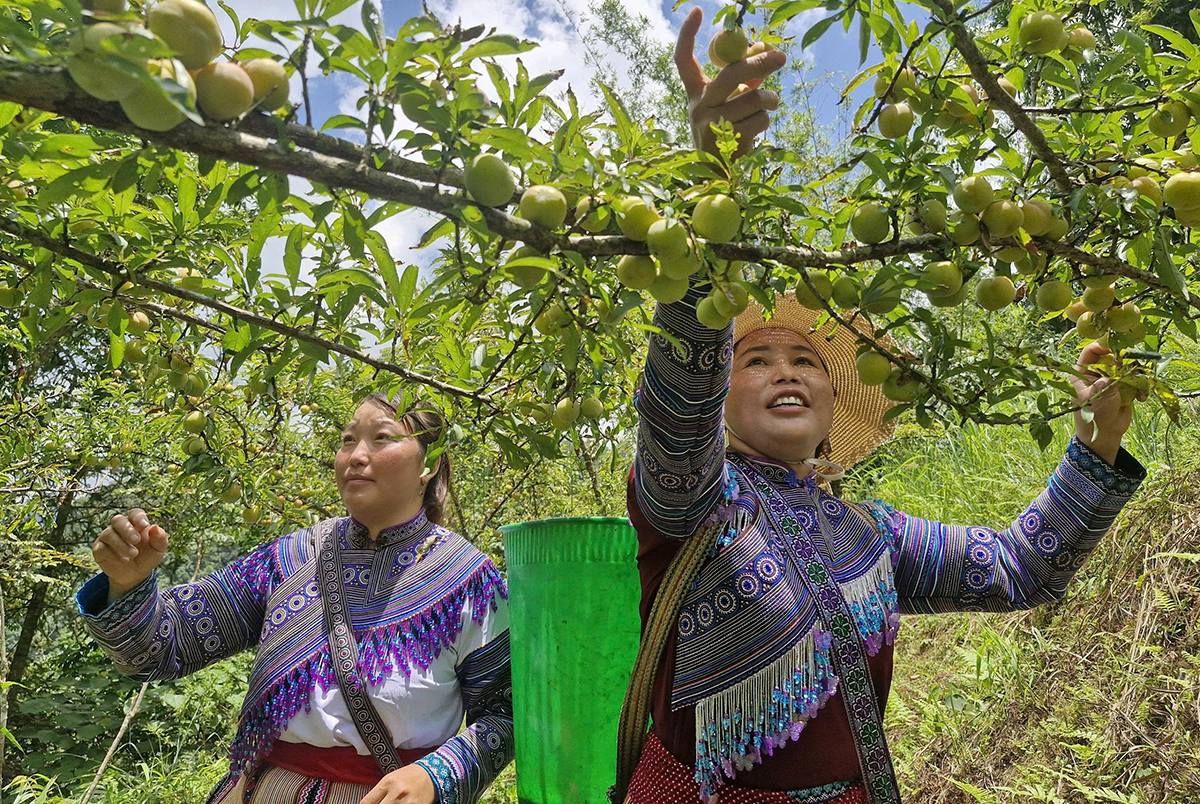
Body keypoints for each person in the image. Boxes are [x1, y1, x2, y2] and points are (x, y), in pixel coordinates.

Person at [618, 9, 1148, 804]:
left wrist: (1095, 446)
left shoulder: (871, 535)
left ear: (835, 401)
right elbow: (677, 403)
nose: (786, 370)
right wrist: (708, 198)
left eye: (807, 360)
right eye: (754, 358)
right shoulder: (691, 502)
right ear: (722, 395)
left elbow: (1019, 568)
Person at [76, 396, 513, 804]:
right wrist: (127, 584)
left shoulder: (469, 580)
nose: (355, 456)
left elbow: (507, 714)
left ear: (428, 465)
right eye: (347, 440)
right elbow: (162, 648)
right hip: (264, 789)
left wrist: (436, 776)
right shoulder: (291, 557)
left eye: (381, 438)